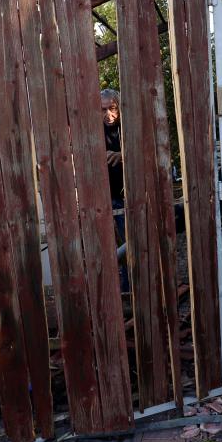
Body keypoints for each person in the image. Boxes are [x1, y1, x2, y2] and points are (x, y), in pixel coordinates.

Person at [101, 88, 130, 292]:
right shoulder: (94, 129)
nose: (108, 114)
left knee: (129, 245)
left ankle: (129, 289)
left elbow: (145, 152)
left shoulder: (128, 127)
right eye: (103, 109)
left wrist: (122, 156)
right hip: (103, 199)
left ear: (119, 106)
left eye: (112, 108)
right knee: (107, 248)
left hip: (127, 196)